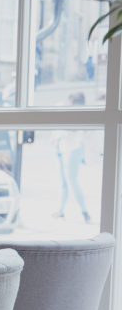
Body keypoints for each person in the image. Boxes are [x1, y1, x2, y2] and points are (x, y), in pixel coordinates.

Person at [52, 92, 91, 224]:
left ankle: (84, 211)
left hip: (72, 150)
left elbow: (78, 133)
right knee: (63, 182)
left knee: (72, 181)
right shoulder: (63, 108)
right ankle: (60, 210)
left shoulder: (79, 114)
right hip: (61, 150)